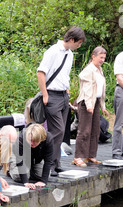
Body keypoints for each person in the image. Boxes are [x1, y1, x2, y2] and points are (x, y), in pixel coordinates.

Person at [37, 26, 86, 176]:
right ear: (71, 40)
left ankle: (56, 163)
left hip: (63, 95)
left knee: (62, 132)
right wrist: (45, 95)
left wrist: (67, 92)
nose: (79, 46)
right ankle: (48, 164)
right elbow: (40, 73)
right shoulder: (52, 51)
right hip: (51, 95)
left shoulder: (69, 54)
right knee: (55, 130)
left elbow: (64, 75)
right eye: (78, 43)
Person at [73, 46, 110, 167]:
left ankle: (90, 155)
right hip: (86, 102)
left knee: (95, 130)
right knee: (84, 131)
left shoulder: (99, 70)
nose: (102, 60)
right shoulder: (88, 70)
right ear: (93, 56)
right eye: (100, 57)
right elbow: (88, 89)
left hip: (96, 102)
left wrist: (102, 106)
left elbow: (100, 90)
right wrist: (89, 106)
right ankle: (78, 157)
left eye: (104, 58)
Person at [8, 123, 53, 189]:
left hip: (37, 157)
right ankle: (10, 169)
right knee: (18, 176)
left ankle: (30, 170)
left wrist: (43, 181)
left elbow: (48, 161)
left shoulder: (48, 139)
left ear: (41, 139)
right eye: (30, 140)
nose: (32, 143)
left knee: (45, 175)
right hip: (20, 157)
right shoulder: (21, 138)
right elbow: (20, 161)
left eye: (35, 141)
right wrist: (26, 182)